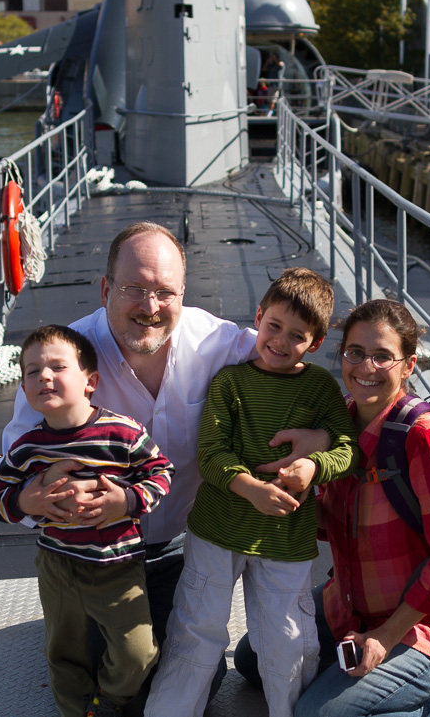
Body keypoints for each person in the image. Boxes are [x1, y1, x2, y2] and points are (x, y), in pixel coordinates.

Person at [0, 222, 331, 710]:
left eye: (164, 292)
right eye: (135, 288)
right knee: (108, 681)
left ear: (182, 294)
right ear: (106, 288)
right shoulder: (65, 360)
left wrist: (321, 439)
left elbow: (294, 367)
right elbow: (18, 460)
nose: (150, 307)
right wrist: (35, 501)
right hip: (97, 554)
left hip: (178, 549)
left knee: (195, 678)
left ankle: (241, 648)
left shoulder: (214, 341)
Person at [145, 268, 359, 717]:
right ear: (258, 318)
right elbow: (213, 454)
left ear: (315, 343)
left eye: (297, 336)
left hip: (284, 540)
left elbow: (348, 449)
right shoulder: (230, 383)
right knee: (196, 631)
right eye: (274, 326)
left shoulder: (321, 389)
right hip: (217, 531)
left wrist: (314, 466)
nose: (280, 341)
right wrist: (251, 489)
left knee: (287, 639)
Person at [290, 299, 430, 717]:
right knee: (256, 659)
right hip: (350, 608)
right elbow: (332, 524)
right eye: (356, 353)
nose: (366, 368)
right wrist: (294, 494)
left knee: (316, 714)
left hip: (424, 626)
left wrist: (383, 637)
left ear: (409, 365)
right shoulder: (341, 423)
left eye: (383, 356)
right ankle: (379, 695)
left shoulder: (428, 440)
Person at [0, 326, 175, 717]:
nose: (44, 377)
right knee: (64, 652)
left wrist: (129, 500)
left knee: (138, 653)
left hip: (117, 569)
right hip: (58, 567)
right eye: (32, 372)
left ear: (91, 382)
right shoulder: (27, 449)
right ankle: (78, 711)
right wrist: (23, 499)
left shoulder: (121, 432)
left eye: (57, 367)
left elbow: (162, 472)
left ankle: (109, 699)